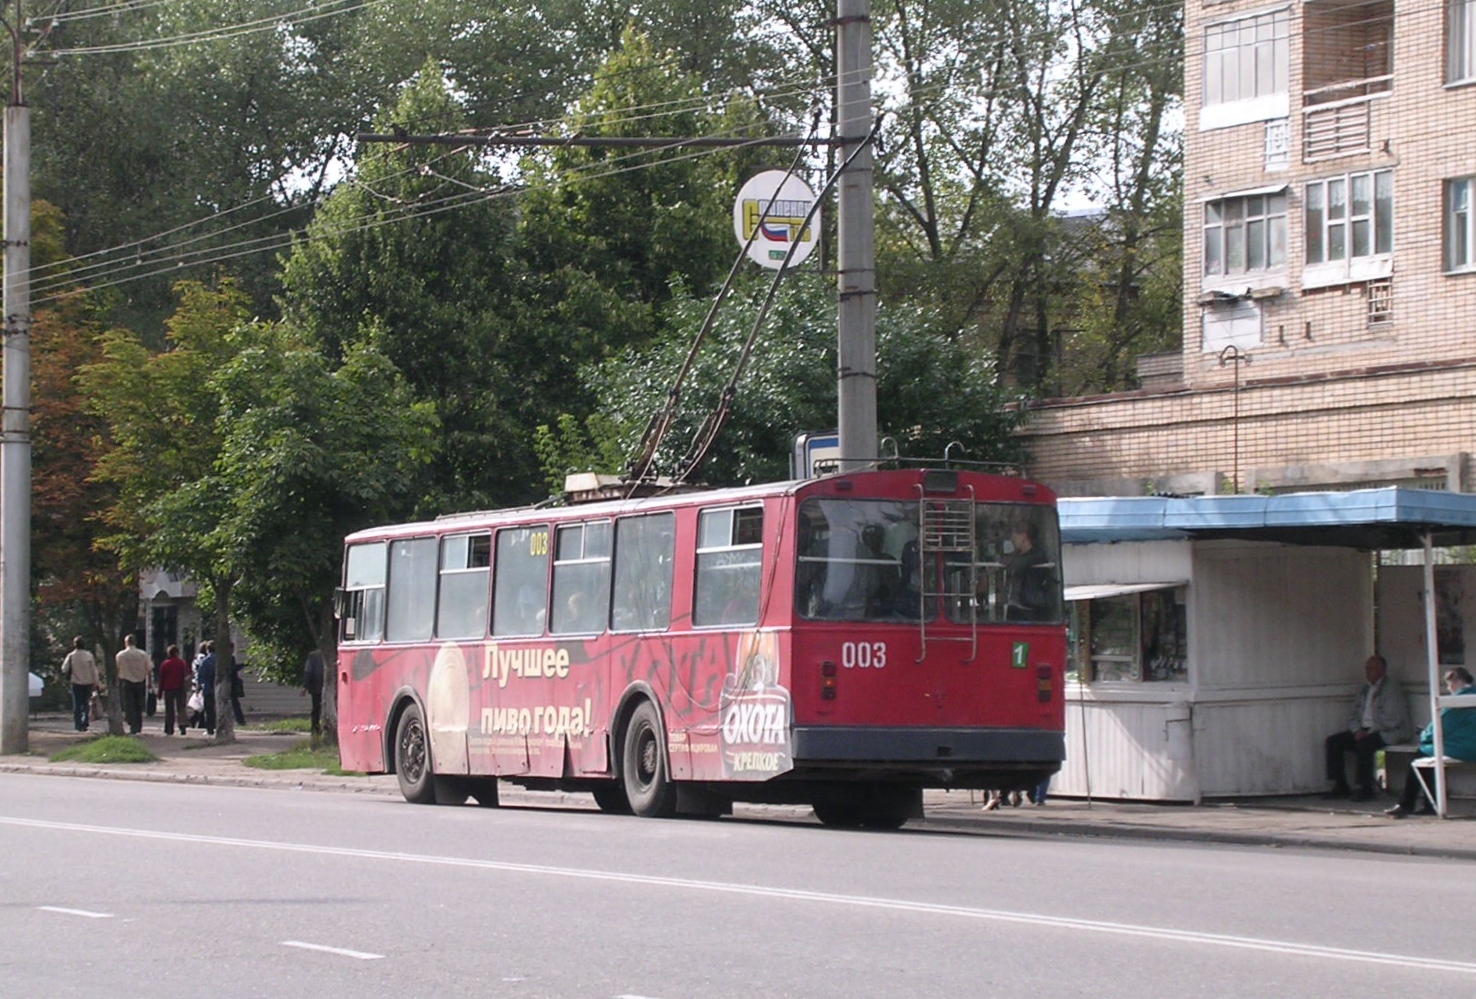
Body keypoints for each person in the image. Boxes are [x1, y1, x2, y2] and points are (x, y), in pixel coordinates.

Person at [1386, 667, 1476, 818]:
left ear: (1457, 681)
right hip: (1468, 745)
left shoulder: (1457, 701)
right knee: (1431, 759)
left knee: (1420, 755)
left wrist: (1423, 735)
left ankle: (1407, 803)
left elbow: (1440, 726)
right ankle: (1429, 803)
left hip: (1465, 748)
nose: (1449, 688)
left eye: (1449, 684)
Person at [1323, 654, 1410, 801]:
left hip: (1386, 731)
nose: (1367, 672)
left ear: (1381, 670)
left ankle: (1366, 788)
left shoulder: (1391, 689)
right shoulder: (1365, 689)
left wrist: (1369, 731)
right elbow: (1353, 714)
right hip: (1363, 729)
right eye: (1367, 668)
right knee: (1333, 742)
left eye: (1371, 668)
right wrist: (1357, 730)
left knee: (1365, 745)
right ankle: (1340, 785)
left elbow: (1393, 718)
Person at [60, 637, 101, 733]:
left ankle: (78, 724)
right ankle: (85, 722)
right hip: (88, 682)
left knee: (77, 704)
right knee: (86, 703)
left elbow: (64, 669)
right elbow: (93, 670)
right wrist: (96, 682)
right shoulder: (89, 655)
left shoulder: (71, 655)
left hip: (76, 682)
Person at [115, 633, 152, 735]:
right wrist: (150, 683)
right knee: (138, 704)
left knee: (128, 704)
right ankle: (138, 725)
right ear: (135, 642)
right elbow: (149, 669)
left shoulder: (120, 655)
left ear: (126, 643)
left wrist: (116, 682)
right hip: (140, 681)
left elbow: (117, 670)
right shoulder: (143, 654)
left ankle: (131, 722)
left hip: (126, 681)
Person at [157, 644, 190, 736]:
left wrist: (160, 692)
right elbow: (187, 674)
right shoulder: (182, 663)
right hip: (180, 688)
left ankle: (169, 728)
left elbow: (162, 679)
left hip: (168, 689)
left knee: (169, 710)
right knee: (181, 709)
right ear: (176, 653)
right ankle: (182, 727)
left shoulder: (165, 664)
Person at [195, 641, 217, 736]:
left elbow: (201, 677)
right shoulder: (220, 660)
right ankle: (219, 726)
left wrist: (198, 688)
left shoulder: (205, 661)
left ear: (207, 650)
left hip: (208, 688)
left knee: (209, 709)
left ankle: (210, 729)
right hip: (219, 688)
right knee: (219, 708)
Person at [302, 648, 325, 736]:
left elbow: (308, 671)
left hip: (316, 686)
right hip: (330, 686)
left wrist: (305, 686)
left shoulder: (312, 655)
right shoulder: (332, 653)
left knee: (316, 708)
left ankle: (315, 728)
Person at [229, 657, 247, 725]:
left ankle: (239, 720)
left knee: (235, 704)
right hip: (230, 684)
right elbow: (232, 669)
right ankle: (240, 721)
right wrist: (242, 665)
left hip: (232, 684)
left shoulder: (231, 658)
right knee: (235, 704)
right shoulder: (229, 658)